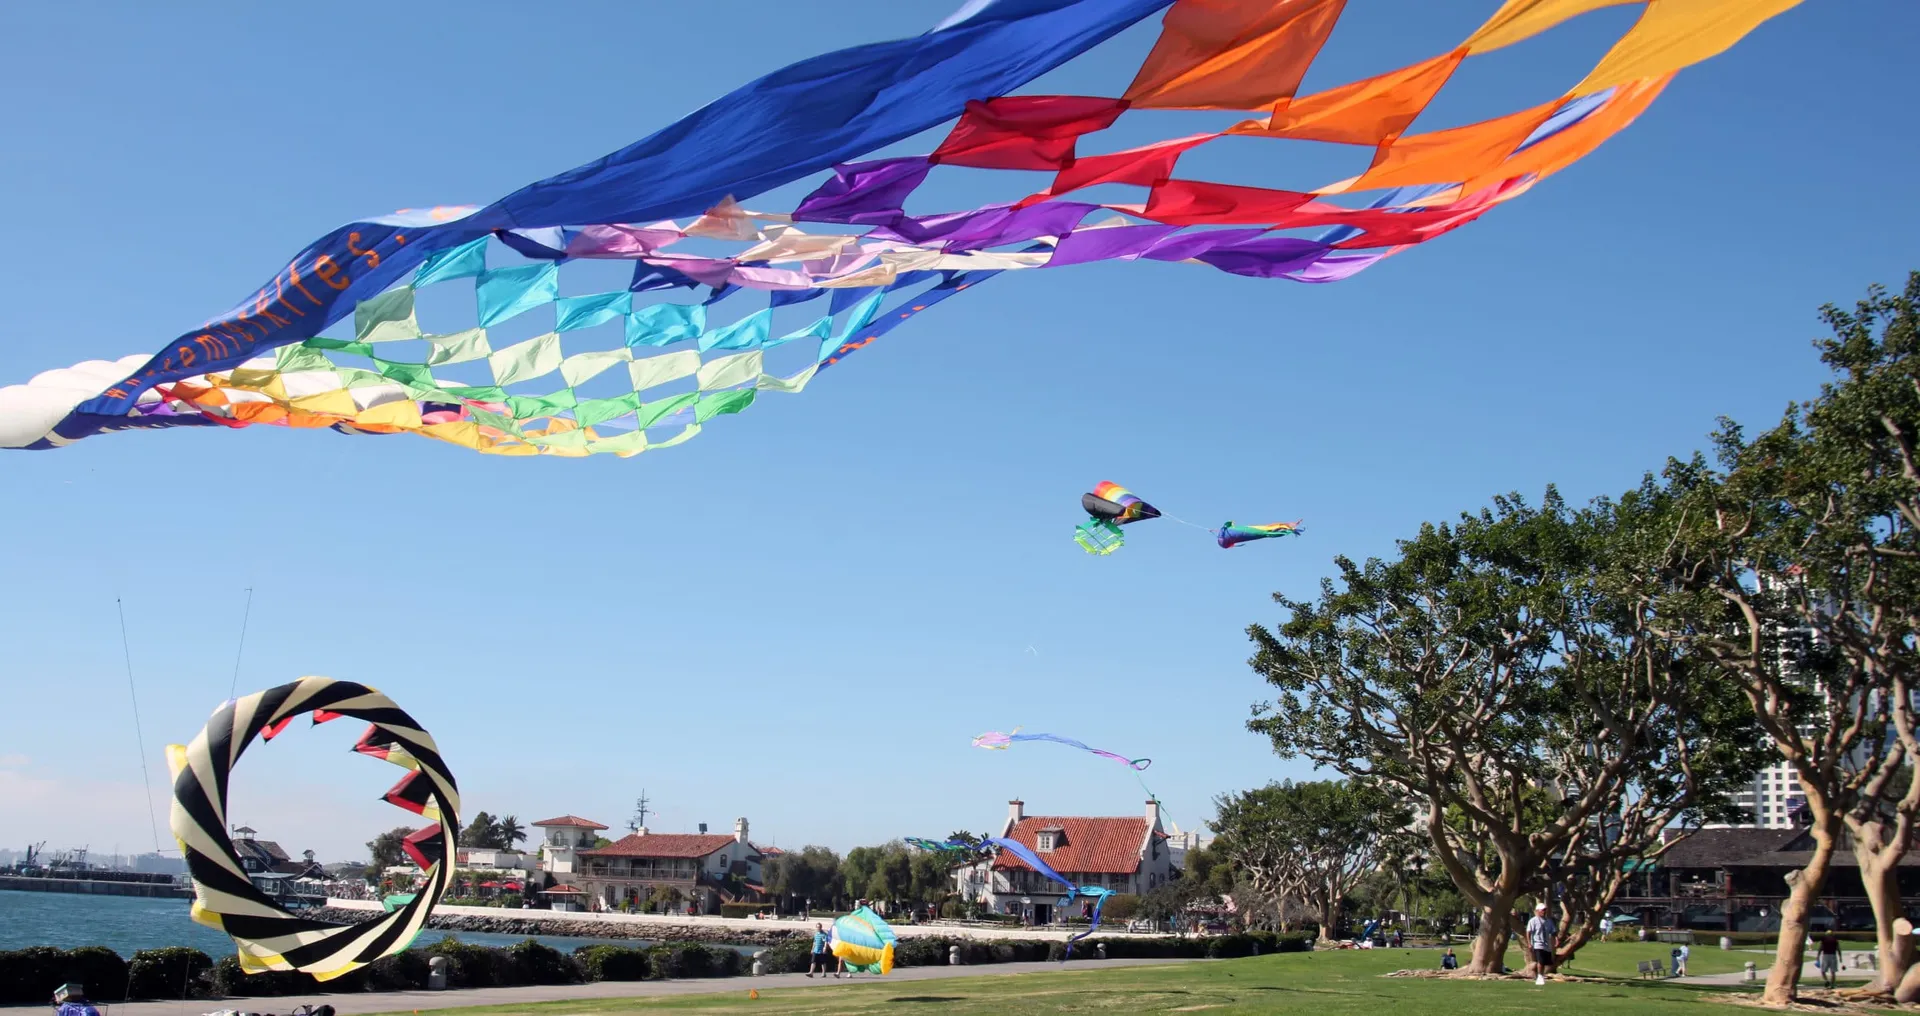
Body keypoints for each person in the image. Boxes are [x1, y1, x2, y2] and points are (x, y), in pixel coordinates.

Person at [1526, 903, 1556, 986]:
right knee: (1540, 961)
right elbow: (1528, 932)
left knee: (1545, 962)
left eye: (1545, 910)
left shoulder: (1549, 921)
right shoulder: (1533, 921)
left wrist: (1556, 940)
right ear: (1538, 911)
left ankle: (1541, 975)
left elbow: (1553, 932)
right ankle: (1539, 976)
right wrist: (1529, 943)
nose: (1544, 911)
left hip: (1546, 945)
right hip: (1537, 944)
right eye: (1542, 910)